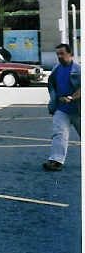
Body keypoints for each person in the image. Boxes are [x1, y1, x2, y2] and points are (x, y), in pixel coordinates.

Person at [44, 43, 81, 171]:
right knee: (59, 134)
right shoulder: (56, 69)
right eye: (57, 54)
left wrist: (71, 98)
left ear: (70, 54)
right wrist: (54, 101)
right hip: (61, 109)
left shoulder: (78, 69)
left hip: (78, 110)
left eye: (62, 53)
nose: (59, 56)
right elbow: (51, 85)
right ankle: (56, 160)